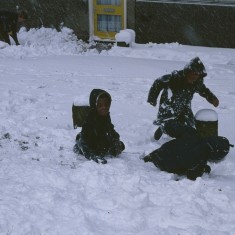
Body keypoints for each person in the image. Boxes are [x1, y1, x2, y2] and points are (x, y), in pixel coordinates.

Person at [147, 57, 219, 140]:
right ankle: (163, 128)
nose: (195, 77)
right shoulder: (175, 78)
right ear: (188, 71)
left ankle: (184, 139)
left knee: (189, 125)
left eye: (197, 75)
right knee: (169, 124)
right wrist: (152, 98)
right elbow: (158, 82)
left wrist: (212, 99)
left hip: (185, 106)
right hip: (169, 106)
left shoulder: (196, 83)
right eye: (193, 73)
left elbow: (204, 91)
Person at [143, 125, 233, 180]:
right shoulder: (201, 162)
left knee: (169, 151)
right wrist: (206, 169)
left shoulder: (192, 133)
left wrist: (164, 128)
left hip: (161, 152)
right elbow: (192, 176)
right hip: (166, 166)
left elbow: (174, 128)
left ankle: (149, 157)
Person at [73, 89, 125, 164]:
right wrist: (91, 155)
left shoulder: (106, 117)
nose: (104, 108)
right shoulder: (90, 120)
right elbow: (83, 141)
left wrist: (116, 141)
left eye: (106, 105)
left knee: (121, 145)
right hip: (91, 144)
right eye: (100, 105)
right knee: (82, 142)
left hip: (102, 143)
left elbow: (111, 131)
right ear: (95, 106)